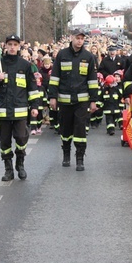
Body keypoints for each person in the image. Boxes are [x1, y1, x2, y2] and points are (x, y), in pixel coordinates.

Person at [0, 34, 40, 181]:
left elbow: (33, 88)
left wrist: (35, 106)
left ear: (19, 47)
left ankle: (20, 164)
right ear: (5, 46)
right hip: (3, 111)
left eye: (15, 45)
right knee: (5, 142)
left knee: (21, 138)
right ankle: (8, 169)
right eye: (9, 44)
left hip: (20, 110)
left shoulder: (25, 65)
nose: (12, 47)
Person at [48, 28, 99, 172]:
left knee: (80, 130)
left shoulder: (89, 57)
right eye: (77, 38)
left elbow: (92, 81)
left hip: (82, 102)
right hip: (64, 101)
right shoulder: (62, 55)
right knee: (65, 129)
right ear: (71, 38)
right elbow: (55, 77)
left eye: (82, 38)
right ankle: (66, 154)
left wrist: (93, 100)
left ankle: (80, 158)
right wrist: (52, 97)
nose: (79, 41)